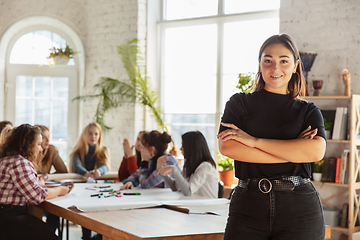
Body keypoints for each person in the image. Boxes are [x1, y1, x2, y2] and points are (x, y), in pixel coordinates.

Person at [217, 34, 326, 240]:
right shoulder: (239, 103)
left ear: (295, 65)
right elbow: (229, 148)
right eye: (268, 61)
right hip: (247, 206)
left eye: (284, 61)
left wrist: (253, 141)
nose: (275, 68)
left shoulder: (308, 111)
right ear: (259, 64)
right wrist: (293, 151)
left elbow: (316, 151)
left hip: (299, 208)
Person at [0, 124, 73, 240]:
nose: (41, 148)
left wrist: (39, 184)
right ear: (27, 145)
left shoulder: (6, 160)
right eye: (38, 144)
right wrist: (60, 190)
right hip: (9, 219)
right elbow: (37, 196)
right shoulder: (20, 163)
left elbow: (20, 187)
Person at [69, 122, 109, 240]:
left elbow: (105, 166)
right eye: (90, 133)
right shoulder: (78, 151)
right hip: (81, 189)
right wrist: (86, 173)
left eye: (96, 134)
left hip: (96, 189)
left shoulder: (102, 150)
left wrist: (99, 172)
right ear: (85, 135)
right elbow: (76, 166)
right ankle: (86, 237)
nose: (93, 136)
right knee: (85, 212)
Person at [158, 131, 219, 198]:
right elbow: (175, 187)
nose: (181, 149)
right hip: (194, 204)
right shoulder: (188, 165)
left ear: (192, 148)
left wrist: (173, 169)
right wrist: (162, 170)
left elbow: (188, 191)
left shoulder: (206, 166)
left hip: (209, 206)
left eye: (183, 146)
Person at [35, 124, 68, 234]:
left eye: (48, 136)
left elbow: (63, 170)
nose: (47, 140)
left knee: (55, 211)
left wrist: (50, 176)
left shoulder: (52, 150)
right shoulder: (32, 151)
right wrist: (41, 177)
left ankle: (50, 234)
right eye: (43, 137)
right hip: (35, 191)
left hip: (45, 188)